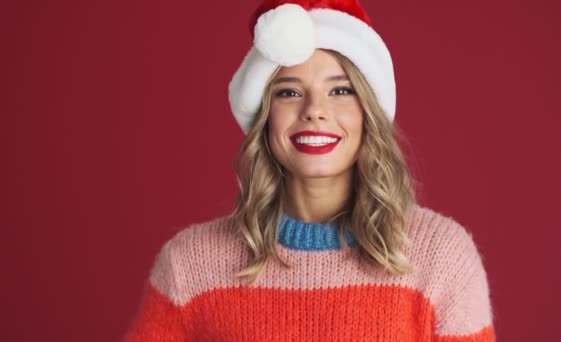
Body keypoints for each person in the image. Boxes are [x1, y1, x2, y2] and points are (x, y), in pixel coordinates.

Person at [125, 0, 495, 341]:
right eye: (289, 92)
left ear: (369, 113)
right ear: (264, 117)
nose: (314, 110)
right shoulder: (188, 267)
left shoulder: (442, 258)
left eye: (340, 91)